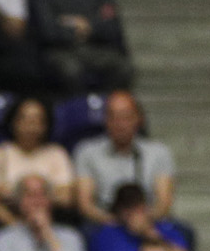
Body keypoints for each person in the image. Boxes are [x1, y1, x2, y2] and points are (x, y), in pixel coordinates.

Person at [73, 92, 177, 228]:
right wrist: (118, 222)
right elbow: (85, 205)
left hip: (149, 219)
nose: (120, 124)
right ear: (105, 120)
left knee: (184, 232)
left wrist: (142, 221)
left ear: (139, 119)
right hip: (104, 221)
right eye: (114, 117)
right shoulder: (87, 152)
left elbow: (164, 203)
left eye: (126, 117)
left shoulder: (159, 152)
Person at [0, 97, 75, 231]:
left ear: (46, 125)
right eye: (25, 119)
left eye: (37, 120)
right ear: (13, 122)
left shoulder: (56, 153)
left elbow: (66, 198)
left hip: (52, 224)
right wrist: (17, 228)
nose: (31, 125)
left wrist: (18, 193)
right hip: (7, 224)